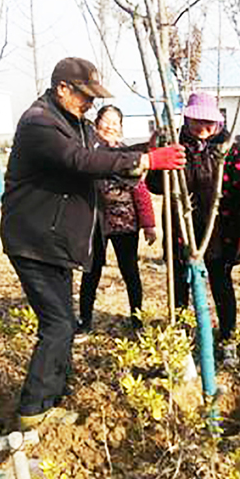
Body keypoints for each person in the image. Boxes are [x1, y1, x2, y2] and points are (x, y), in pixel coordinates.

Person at [0, 57, 186, 431]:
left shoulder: (76, 124)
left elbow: (106, 151)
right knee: (58, 325)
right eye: (86, 96)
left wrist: (149, 149)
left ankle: (53, 400)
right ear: (62, 89)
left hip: (53, 242)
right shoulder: (40, 123)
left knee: (63, 323)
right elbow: (79, 160)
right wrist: (148, 159)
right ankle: (32, 412)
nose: (91, 105)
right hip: (33, 241)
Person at [147, 92, 240, 366]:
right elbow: (155, 187)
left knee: (221, 286)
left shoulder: (230, 149)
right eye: (197, 123)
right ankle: (182, 346)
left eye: (209, 124)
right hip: (181, 229)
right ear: (187, 118)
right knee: (179, 289)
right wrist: (157, 159)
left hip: (220, 229)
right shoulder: (174, 145)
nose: (203, 130)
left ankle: (228, 340)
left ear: (218, 123)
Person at [78, 105, 157, 334]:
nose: (110, 126)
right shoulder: (87, 154)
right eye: (106, 121)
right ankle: (84, 322)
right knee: (90, 273)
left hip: (125, 224)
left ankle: (137, 321)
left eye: (116, 122)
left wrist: (149, 224)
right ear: (96, 123)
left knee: (130, 272)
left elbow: (140, 191)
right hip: (95, 223)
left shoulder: (129, 155)